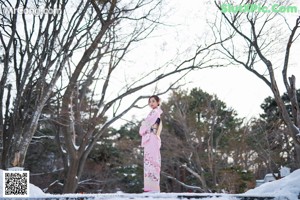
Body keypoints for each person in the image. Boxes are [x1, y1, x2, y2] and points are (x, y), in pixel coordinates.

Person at [139, 95, 163, 193]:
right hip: (152, 138)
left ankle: (151, 187)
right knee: (152, 160)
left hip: (152, 137)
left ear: (158, 102)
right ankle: (152, 187)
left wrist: (142, 128)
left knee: (151, 160)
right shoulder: (156, 112)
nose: (151, 103)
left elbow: (144, 127)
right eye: (150, 101)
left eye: (153, 101)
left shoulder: (155, 112)